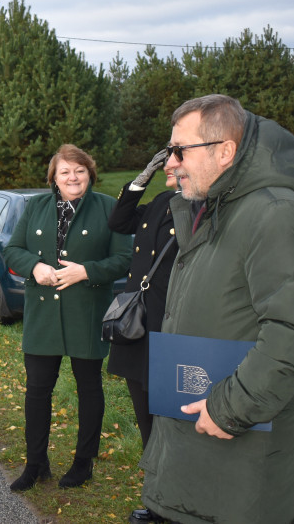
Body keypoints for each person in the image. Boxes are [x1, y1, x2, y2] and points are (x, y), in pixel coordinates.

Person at [135, 94, 294, 524]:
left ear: (225, 151)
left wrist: (230, 408)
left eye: (180, 150)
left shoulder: (275, 215)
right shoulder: (208, 208)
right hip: (200, 445)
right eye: (170, 151)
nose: (171, 163)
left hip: (244, 447)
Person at [3, 144, 132, 491]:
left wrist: (86, 271)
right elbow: (13, 250)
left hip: (86, 313)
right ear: (54, 178)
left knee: (89, 388)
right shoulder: (36, 207)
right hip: (43, 314)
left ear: (90, 173)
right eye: (65, 172)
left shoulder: (110, 208)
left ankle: (83, 463)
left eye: (79, 170)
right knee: (37, 390)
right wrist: (36, 266)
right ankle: (36, 464)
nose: (73, 177)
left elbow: (124, 258)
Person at [107, 150, 178, 451]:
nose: (167, 165)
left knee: (169, 413)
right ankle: (154, 488)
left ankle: (169, 485)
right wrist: (141, 179)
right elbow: (120, 222)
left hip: (168, 322)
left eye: (178, 158)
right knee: (143, 409)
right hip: (136, 321)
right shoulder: (163, 201)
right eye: (165, 160)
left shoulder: (203, 207)